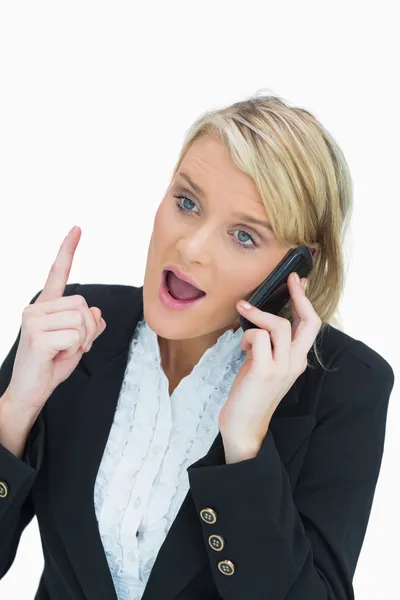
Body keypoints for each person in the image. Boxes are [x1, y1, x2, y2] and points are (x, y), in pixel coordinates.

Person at [0, 92, 395, 600]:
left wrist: (246, 447)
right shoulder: (69, 329)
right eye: (187, 202)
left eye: (244, 236)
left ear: (296, 268)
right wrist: (16, 410)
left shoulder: (347, 386)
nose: (191, 248)